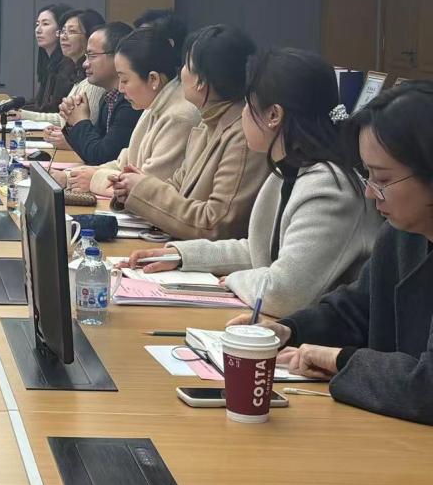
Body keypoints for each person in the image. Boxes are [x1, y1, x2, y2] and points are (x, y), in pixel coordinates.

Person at [233, 81, 433, 424]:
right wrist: (290, 331)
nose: (370, 193)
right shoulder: (402, 235)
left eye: (383, 179)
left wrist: (339, 360)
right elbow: (355, 310)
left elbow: (426, 388)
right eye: (368, 175)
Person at [128, 49, 382, 316]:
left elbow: (284, 293)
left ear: (274, 115)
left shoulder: (328, 187)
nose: (243, 115)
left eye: (248, 105)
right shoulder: (290, 170)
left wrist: (233, 281)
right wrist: (182, 255)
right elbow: (261, 251)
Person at [111, 24, 267, 240]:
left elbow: (216, 224)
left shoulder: (242, 135)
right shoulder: (208, 123)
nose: (180, 72)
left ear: (201, 81)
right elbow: (177, 186)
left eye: (186, 65)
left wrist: (142, 189)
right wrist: (132, 188)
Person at [60, 26, 199, 197]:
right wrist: (69, 176)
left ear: (153, 79)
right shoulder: (152, 104)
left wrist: (93, 179)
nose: (120, 88)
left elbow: (146, 188)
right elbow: (123, 164)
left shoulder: (179, 117)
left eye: (125, 80)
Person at [54, 22, 139, 166]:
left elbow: (102, 156)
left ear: (118, 56)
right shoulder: (107, 98)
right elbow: (91, 147)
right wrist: (71, 119)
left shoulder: (131, 102)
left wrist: (80, 121)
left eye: (92, 56)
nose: (85, 64)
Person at [24, 8, 106, 127]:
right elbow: (64, 119)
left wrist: (22, 114)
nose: (63, 37)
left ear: (91, 36)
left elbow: (83, 124)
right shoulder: (76, 71)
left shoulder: (95, 79)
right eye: (62, 31)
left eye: (72, 31)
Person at [19, 3, 70, 116]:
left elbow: (52, 109)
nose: (38, 30)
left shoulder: (67, 66)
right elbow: (40, 103)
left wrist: (20, 113)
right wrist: (13, 106)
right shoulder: (49, 62)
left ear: (61, 29)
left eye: (45, 24)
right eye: (37, 24)